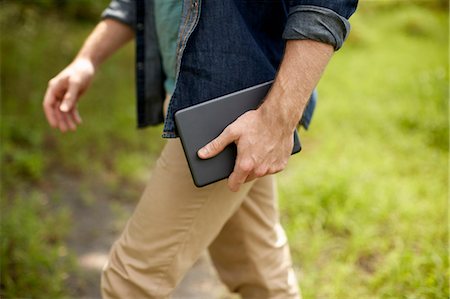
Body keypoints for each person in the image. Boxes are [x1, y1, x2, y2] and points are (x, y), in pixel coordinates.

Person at [43, 0, 358, 298]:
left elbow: (324, 4)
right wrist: (88, 58)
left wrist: (276, 121)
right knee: (260, 274)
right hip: (200, 103)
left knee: (131, 283)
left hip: (231, 115)